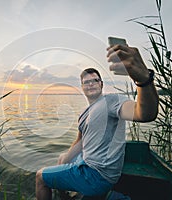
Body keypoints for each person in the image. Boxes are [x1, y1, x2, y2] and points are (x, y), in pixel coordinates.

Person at [36, 43, 159, 200]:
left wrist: (143, 81)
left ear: (101, 84)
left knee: (40, 177)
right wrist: (65, 159)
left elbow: (144, 113)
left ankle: (83, 190)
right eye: (86, 82)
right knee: (61, 157)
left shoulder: (112, 101)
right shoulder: (84, 114)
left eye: (95, 80)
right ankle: (67, 194)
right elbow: (80, 141)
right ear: (82, 87)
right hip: (87, 165)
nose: (91, 84)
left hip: (97, 175)